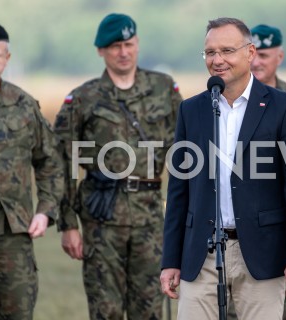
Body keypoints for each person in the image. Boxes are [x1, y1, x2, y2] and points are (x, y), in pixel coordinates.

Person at [160, 17, 286, 320]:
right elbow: (179, 192)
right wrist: (170, 260)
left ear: (250, 52)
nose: (217, 60)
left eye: (227, 51)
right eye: (210, 52)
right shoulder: (191, 110)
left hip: (262, 256)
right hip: (200, 258)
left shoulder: (284, 107)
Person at [53, 13, 182, 320]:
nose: (123, 52)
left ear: (137, 44)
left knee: (150, 309)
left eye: (128, 44)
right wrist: (68, 224)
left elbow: (187, 152)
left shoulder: (164, 89)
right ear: (101, 50)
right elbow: (61, 162)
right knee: (105, 309)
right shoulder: (84, 98)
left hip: (151, 217)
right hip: (101, 219)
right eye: (114, 47)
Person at [0, 22, 64, 319]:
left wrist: (45, 210)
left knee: (19, 314)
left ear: (6, 59)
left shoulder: (23, 105)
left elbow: (50, 161)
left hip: (16, 234)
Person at [227, 23, 286, 320]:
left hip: (281, 221)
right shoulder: (223, 97)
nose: (258, 61)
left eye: (265, 55)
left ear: (280, 56)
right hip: (239, 220)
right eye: (255, 54)